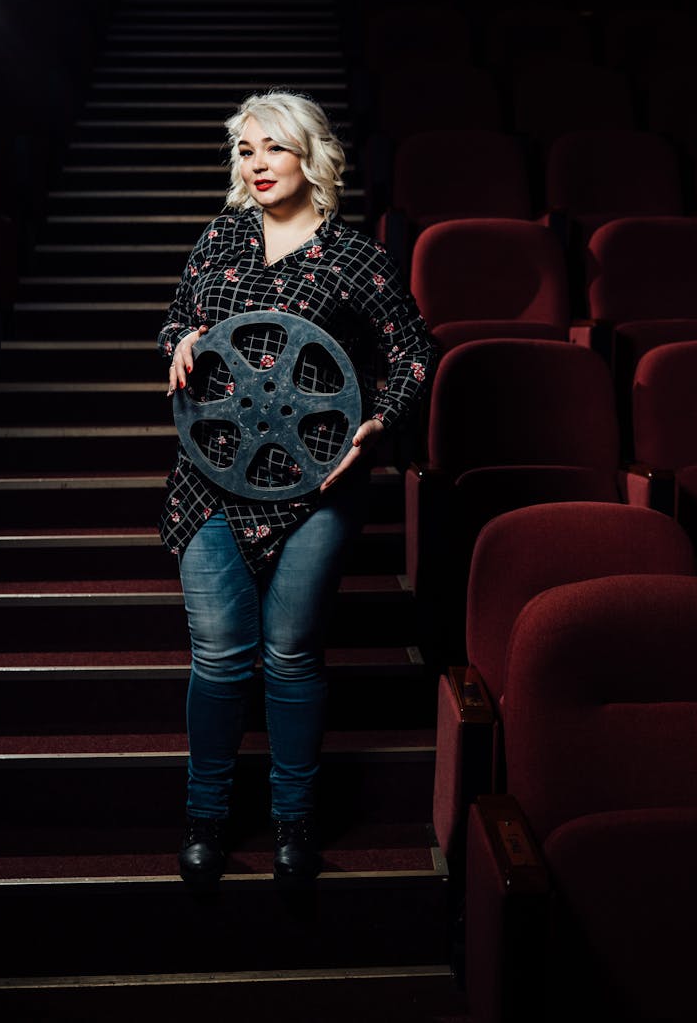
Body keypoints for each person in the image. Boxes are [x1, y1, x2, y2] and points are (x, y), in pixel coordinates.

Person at [157, 89, 437, 889]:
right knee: (218, 655)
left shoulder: (356, 259)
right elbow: (175, 315)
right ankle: (205, 820)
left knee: (289, 655)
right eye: (246, 150)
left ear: (311, 156)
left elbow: (414, 354)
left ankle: (292, 825)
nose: (257, 164)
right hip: (210, 481)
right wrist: (180, 340)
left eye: (273, 147)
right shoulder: (219, 239)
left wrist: (378, 425)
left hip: (317, 487)